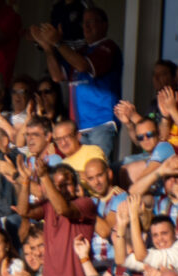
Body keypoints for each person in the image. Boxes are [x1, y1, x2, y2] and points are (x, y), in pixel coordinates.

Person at [32, 8, 122, 162]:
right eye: (84, 23)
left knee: (96, 170)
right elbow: (56, 75)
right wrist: (48, 49)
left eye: (91, 22)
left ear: (104, 25)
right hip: (78, 127)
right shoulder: (80, 51)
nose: (86, 27)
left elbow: (82, 66)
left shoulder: (108, 47)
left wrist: (57, 42)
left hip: (101, 123)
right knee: (78, 174)